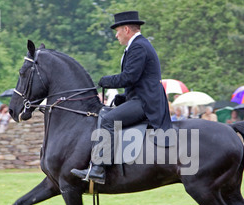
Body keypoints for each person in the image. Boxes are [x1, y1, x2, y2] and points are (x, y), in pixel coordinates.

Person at [71, 11, 172, 184]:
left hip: (146, 103)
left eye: (117, 31)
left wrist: (105, 81)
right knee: (105, 113)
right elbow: (140, 81)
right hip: (140, 98)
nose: (116, 35)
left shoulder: (139, 46)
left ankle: (98, 168)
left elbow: (129, 77)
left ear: (126, 29)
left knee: (109, 119)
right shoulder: (137, 45)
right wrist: (123, 97)